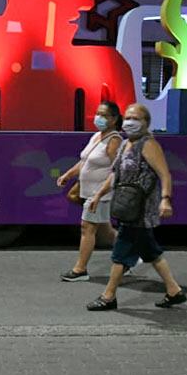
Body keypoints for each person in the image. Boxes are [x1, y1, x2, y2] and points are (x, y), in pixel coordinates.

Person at [85, 103, 187, 309]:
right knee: (150, 251)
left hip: (141, 209)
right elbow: (114, 174)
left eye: (136, 118)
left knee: (121, 252)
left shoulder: (148, 145)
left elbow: (164, 174)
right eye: (128, 117)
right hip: (127, 206)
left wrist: (166, 199)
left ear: (146, 123)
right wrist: (98, 195)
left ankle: (108, 296)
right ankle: (174, 290)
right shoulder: (125, 144)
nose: (130, 122)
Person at [56, 101, 122, 281]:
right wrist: (67, 175)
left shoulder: (114, 141)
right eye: (97, 113)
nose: (98, 118)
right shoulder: (96, 137)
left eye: (104, 115)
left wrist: (100, 194)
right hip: (88, 191)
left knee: (87, 228)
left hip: (100, 193)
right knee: (107, 232)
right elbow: (84, 161)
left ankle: (80, 270)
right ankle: (130, 254)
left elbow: (117, 170)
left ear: (114, 119)